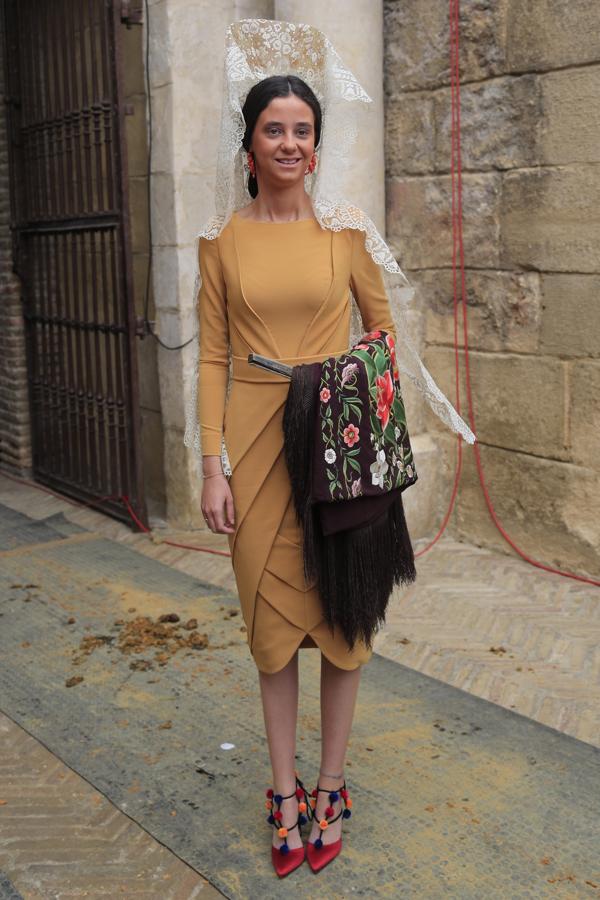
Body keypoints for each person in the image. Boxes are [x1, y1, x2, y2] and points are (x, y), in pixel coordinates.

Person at [186, 19, 475, 878]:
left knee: (345, 622)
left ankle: (332, 783)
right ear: (249, 144)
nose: (288, 142)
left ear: (316, 145)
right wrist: (211, 462)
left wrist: (349, 393)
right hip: (256, 445)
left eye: (302, 130)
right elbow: (209, 355)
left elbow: (382, 332)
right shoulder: (221, 242)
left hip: (338, 449)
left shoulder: (346, 232)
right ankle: (282, 791)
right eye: (273, 128)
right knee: (273, 634)